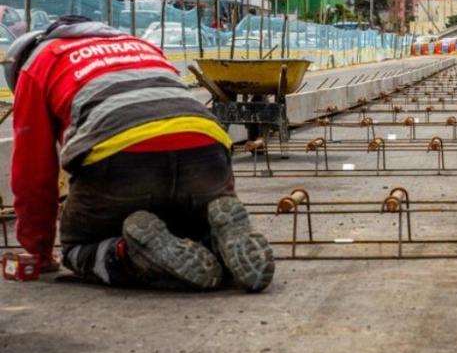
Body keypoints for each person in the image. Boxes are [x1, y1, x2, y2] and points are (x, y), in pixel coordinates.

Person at [4, 15, 275, 291]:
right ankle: (216, 241)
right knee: (183, 228)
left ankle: (128, 255)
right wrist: (222, 193)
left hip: (123, 163)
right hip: (207, 151)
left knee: (78, 248)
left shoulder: (37, 63)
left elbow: (32, 172)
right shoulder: (140, 46)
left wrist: (39, 250)